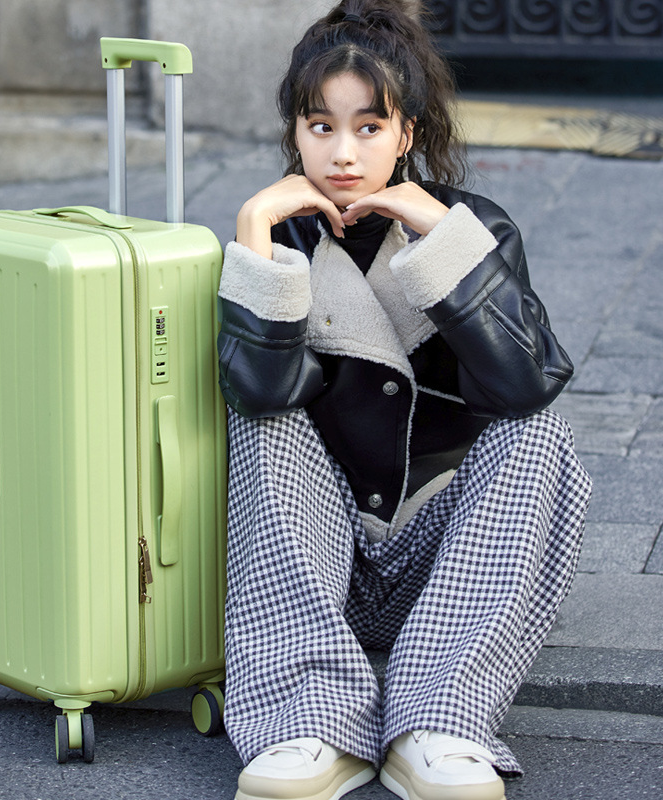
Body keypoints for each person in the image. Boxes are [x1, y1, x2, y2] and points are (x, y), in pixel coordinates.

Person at [215, 2, 592, 799]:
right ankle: (308, 724)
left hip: (445, 569)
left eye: (368, 128)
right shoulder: (278, 239)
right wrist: (254, 230)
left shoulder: (471, 226)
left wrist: (439, 234)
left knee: (537, 436)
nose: (343, 154)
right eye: (320, 128)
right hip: (323, 566)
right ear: (296, 134)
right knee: (266, 424)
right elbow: (259, 394)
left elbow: (525, 383)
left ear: (407, 134)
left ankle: (440, 722)